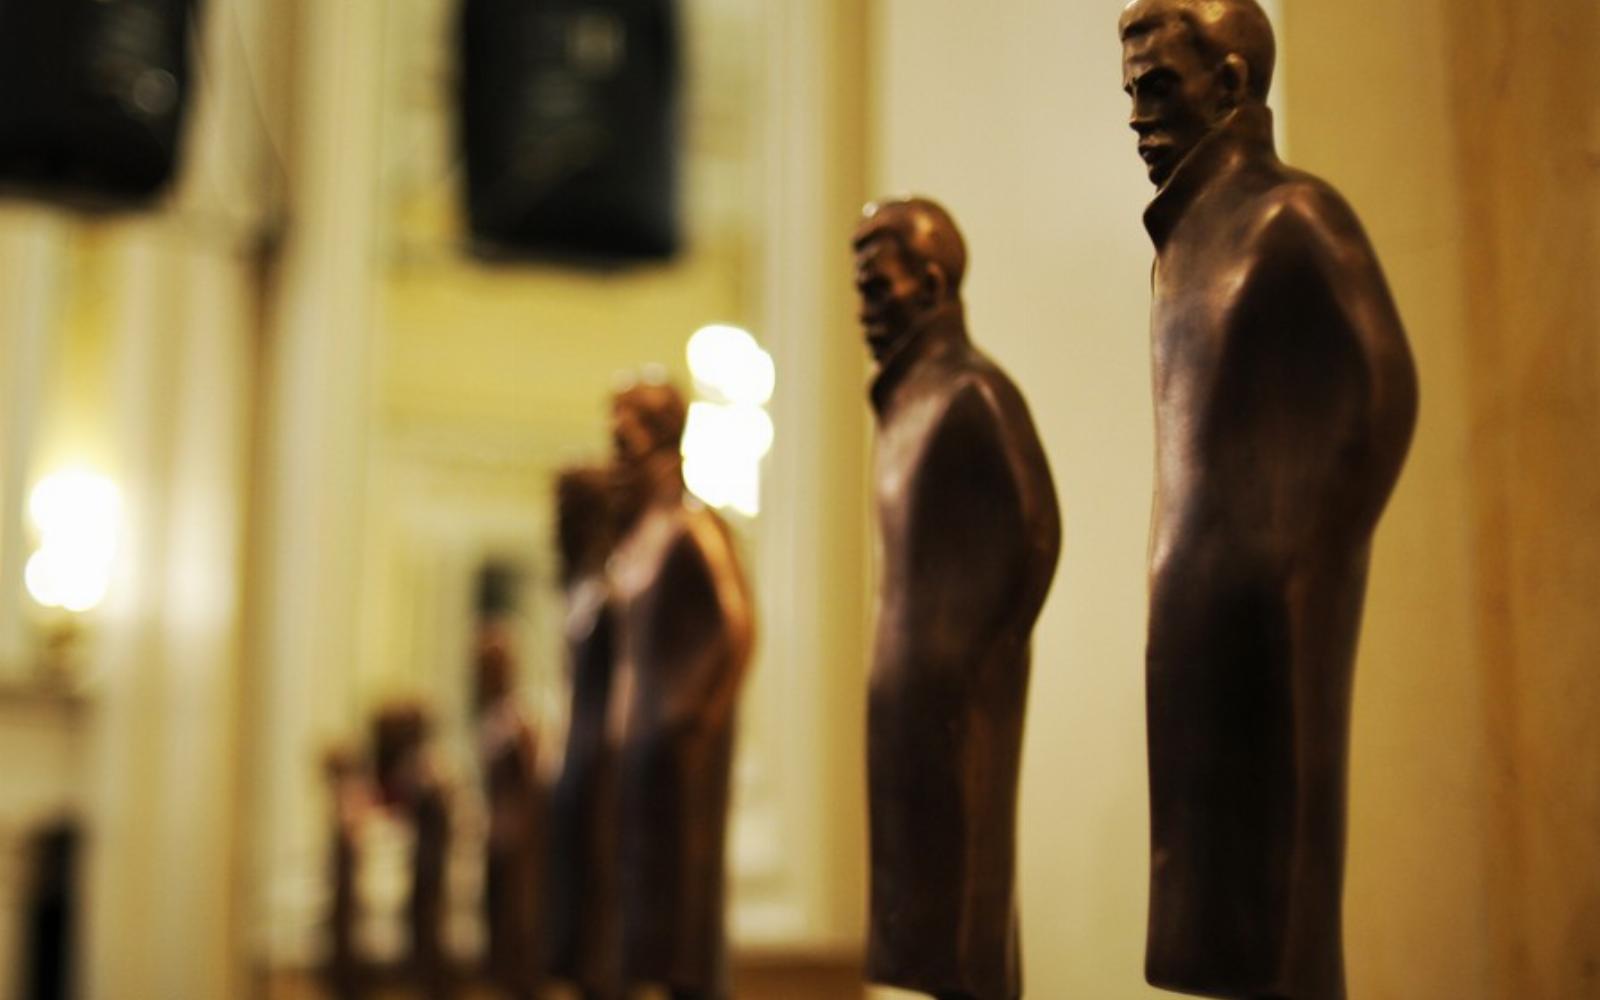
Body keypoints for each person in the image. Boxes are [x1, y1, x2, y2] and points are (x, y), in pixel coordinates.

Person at [1118, 2, 1419, 997]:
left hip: (1272, 605)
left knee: (1280, 902)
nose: (1136, 115)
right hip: (1191, 611)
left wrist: (1299, 548)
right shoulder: (1177, 247)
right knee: (1212, 907)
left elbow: (1383, 390)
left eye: (1158, 87)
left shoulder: (1293, 217)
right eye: (1132, 92)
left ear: (1231, 83)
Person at [855, 197, 1061, 1000]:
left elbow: (1035, 534)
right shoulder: (904, 401)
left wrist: (971, 657)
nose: (864, 310)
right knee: (924, 924)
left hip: (957, 696)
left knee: (967, 922)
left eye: (879, 288)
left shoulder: (972, 392)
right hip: (908, 698)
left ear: (934, 284)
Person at [607, 379, 754, 1000]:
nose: (616, 448)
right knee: (643, 924)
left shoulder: (693, 526)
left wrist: (690, 721)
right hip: (639, 753)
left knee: (684, 928)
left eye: (627, 434)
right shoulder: (641, 532)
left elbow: (736, 627)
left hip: (676, 753)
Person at [546, 465, 622, 999]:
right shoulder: (581, 594)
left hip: (600, 769)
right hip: (577, 765)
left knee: (599, 918)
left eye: (564, 514)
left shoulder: (605, 597)